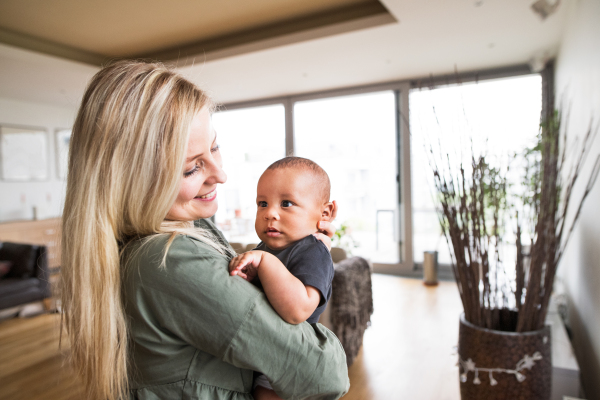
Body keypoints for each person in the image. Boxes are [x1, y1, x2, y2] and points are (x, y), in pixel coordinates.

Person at [60, 60, 349, 400]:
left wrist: (303, 251)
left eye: (214, 147)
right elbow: (324, 372)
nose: (220, 175)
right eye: (191, 168)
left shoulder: (192, 227)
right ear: (132, 182)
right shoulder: (169, 261)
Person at [229, 157, 336, 400]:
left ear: (325, 212)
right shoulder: (267, 246)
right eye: (262, 203)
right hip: (263, 350)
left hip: (289, 359)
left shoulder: (313, 250)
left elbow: (298, 310)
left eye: (286, 203)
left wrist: (265, 263)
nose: (270, 214)